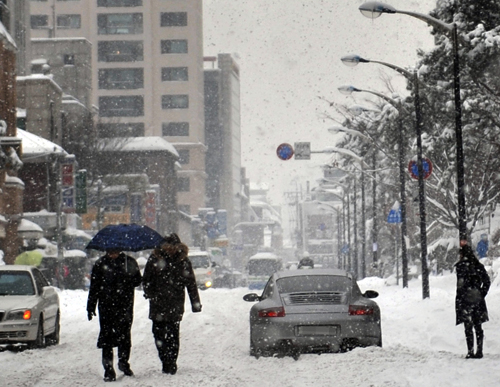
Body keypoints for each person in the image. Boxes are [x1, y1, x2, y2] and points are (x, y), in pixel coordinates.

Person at [142, 233, 202, 375]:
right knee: (158, 334)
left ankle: (172, 361)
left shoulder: (183, 261)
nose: (170, 250)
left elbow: (191, 283)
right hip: (158, 304)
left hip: (175, 304)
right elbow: (147, 279)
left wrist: (196, 303)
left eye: (173, 247)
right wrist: (150, 293)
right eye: (167, 247)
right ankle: (165, 359)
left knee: (173, 335)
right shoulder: (155, 259)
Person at [87, 250, 142, 382]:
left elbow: (138, 281)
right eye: (110, 252)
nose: (112, 254)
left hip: (125, 305)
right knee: (107, 338)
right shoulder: (100, 264)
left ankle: (123, 362)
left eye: (114, 251)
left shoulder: (129, 262)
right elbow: (94, 286)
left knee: (124, 336)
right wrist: (91, 306)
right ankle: (108, 369)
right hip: (106, 307)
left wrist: (130, 278)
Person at [455, 244, 491, 359]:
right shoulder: (478, 266)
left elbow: (460, 285)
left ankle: (470, 351)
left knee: (468, 326)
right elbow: (486, 281)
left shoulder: (461, 266)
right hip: (477, 299)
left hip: (465, 299)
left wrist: (460, 299)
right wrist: (481, 293)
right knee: (478, 326)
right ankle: (479, 351)